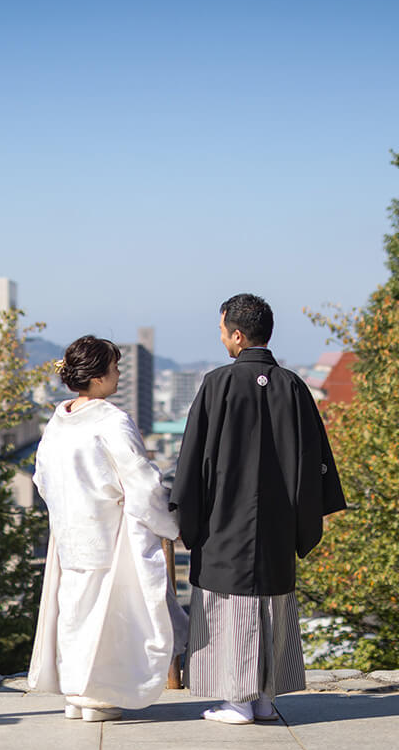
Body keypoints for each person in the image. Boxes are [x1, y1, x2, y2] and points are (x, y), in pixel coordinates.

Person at [170, 294, 346, 725]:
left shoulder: (217, 384)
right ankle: (265, 698)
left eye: (221, 331)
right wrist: (304, 522)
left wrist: (185, 518)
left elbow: (192, 461)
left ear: (237, 334)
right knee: (271, 606)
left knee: (229, 609)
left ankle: (236, 701)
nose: (222, 339)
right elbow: (315, 461)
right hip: (278, 525)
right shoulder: (294, 386)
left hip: (223, 523)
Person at [28, 335, 187, 722]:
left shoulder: (58, 419)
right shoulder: (111, 420)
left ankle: (75, 693)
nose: (118, 375)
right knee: (110, 616)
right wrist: (170, 524)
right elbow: (142, 481)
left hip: (70, 531)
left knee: (75, 613)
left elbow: (41, 481)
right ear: (97, 377)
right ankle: (98, 696)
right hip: (111, 532)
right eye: (114, 368)